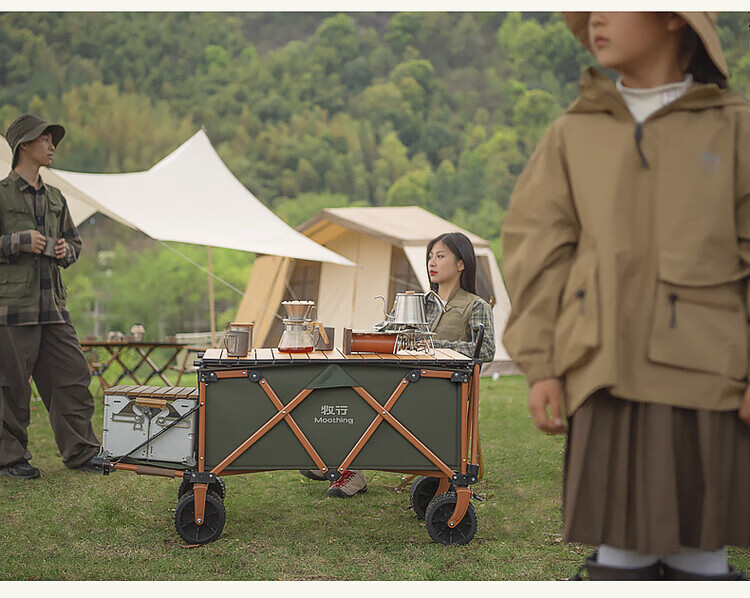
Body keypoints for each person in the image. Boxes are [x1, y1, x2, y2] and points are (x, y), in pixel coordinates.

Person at [502, 12, 750, 580]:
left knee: (702, 553)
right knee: (619, 555)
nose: (597, 16)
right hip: (603, 371)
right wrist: (542, 364)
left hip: (708, 378)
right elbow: (539, 251)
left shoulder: (735, 127)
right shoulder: (573, 133)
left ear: (674, 18)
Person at [0, 114, 100, 479]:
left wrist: (65, 250)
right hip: (12, 309)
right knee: (10, 386)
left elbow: (75, 243)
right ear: (23, 145)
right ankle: (9, 459)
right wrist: (18, 242)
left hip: (54, 308)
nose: (52, 145)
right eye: (44, 139)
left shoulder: (56, 198)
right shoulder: (1, 194)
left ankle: (82, 451)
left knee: (72, 377)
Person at [425, 232, 495, 363]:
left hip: (449, 375)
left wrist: (437, 346)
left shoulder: (476, 306)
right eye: (430, 257)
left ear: (460, 264)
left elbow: (486, 350)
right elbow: (388, 336)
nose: (432, 263)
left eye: (440, 256)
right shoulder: (419, 303)